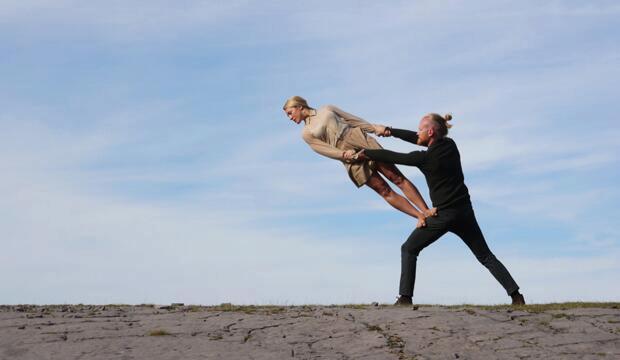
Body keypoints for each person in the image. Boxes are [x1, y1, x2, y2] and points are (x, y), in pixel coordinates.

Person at [357, 113, 526, 306]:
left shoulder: (426, 158)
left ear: (430, 132)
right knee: (485, 256)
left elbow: (395, 157)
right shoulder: (450, 145)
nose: (417, 132)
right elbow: (416, 138)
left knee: (409, 248)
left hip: (443, 215)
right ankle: (516, 296)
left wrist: (367, 153)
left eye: (420, 129)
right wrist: (391, 132)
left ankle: (405, 298)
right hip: (465, 212)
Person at [283, 96, 435, 227]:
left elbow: (352, 119)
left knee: (396, 177)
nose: (290, 118)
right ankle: (419, 216)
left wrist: (373, 128)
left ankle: (426, 210)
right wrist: (344, 154)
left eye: (290, 113)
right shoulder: (306, 133)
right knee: (383, 190)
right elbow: (323, 150)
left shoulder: (326, 109)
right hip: (346, 155)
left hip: (357, 137)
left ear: (299, 106)